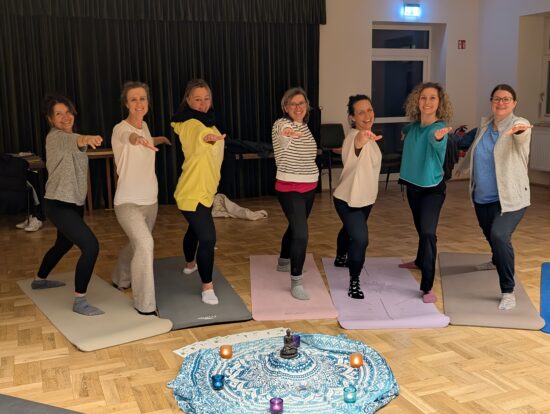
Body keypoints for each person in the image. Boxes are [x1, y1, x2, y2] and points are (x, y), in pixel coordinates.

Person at [455, 84, 532, 310]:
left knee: (499, 235)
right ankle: (496, 260)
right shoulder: (485, 125)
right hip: (483, 196)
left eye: (506, 99)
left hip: (511, 198)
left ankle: (508, 291)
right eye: (497, 99)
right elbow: (474, 150)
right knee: (489, 233)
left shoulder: (519, 124)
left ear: (514, 103)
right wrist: (462, 168)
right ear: (491, 102)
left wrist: (519, 130)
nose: (501, 103)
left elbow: (522, 133)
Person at [34, 95, 104, 316]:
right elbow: (75, 140)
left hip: (73, 204)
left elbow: (76, 141)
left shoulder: (71, 136)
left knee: (63, 244)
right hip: (58, 204)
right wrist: (88, 138)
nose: (65, 117)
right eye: (58, 114)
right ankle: (80, 301)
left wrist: (83, 139)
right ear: (50, 119)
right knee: (91, 246)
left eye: (68, 112)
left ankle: (40, 279)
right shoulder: (55, 138)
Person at [111, 81, 171, 315]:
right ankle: (145, 305)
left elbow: (145, 139)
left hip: (150, 201)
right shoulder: (120, 129)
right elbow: (130, 138)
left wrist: (158, 139)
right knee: (146, 244)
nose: (139, 103)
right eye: (133, 99)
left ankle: (120, 276)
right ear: (126, 103)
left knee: (137, 244)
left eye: (142, 98)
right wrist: (138, 139)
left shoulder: (144, 126)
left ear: (148, 102)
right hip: (127, 203)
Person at [398, 82, 453, 304]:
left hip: (433, 190)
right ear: (417, 101)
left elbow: (435, 139)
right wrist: (403, 132)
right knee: (422, 230)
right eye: (423, 97)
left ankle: (427, 286)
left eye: (432, 98)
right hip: (413, 187)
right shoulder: (412, 128)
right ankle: (420, 261)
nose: (427, 102)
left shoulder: (437, 130)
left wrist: (439, 137)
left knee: (428, 233)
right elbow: (408, 131)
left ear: (440, 103)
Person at [171, 79, 225, 305]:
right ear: (188, 100)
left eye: (206, 99)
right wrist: (207, 139)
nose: (203, 104)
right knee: (208, 237)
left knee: (195, 229)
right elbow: (197, 135)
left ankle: (189, 264)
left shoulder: (210, 124)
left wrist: (212, 136)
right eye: (197, 99)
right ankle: (207, 287)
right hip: (191, 193)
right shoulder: (190, 124)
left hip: (205, 191)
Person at [332, 95, 382, 299]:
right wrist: (363, 137)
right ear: (352, 117)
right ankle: (354, 281)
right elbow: (357, 144)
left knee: (349, 230)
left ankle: (340, 257)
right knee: (360, 239)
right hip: (347, 199)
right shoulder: (355, 137)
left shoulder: (371, 138)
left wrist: (367, 136)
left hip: (366, 198)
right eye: (360, 112)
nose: (367, 115)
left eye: (369, 110)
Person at [272, 87, 319, 300]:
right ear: (286, 107)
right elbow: (284, 134)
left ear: (307, 106)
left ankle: (284, 261)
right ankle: (296, 281)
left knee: (295, 226)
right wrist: (287, 133)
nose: (298, 107)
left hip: (309, 186)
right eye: (293, 104)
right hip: (290, 188)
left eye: (301, 103)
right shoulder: (281, 124)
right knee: (301, 234)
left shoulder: (305, 127)